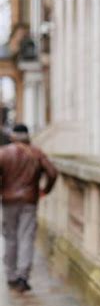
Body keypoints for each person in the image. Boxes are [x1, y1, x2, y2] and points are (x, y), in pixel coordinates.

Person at [0, 123, 57, 292]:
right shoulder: (36, 153)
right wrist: (44, 191)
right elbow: (52, 173)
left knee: (10, 238)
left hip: (9, 200)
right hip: (29, 200)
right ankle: (23, 276)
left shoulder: (4, 153)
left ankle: (11, 276)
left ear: (13, 136)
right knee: (26, 237)